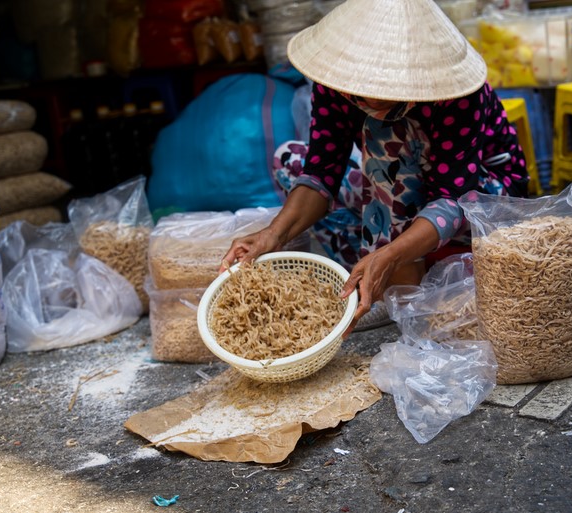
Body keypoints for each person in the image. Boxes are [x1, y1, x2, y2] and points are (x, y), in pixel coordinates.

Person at [221, 0, 529, 335]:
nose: (365, 98)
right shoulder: (335, 84)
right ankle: (367, 270)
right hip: (405, 187)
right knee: (291, 161)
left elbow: (454, 198)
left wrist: (393, 253)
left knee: (386, 135)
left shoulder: (456, 94)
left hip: (483, 201)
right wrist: (272, 234)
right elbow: (322, 172)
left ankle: (398, 287)